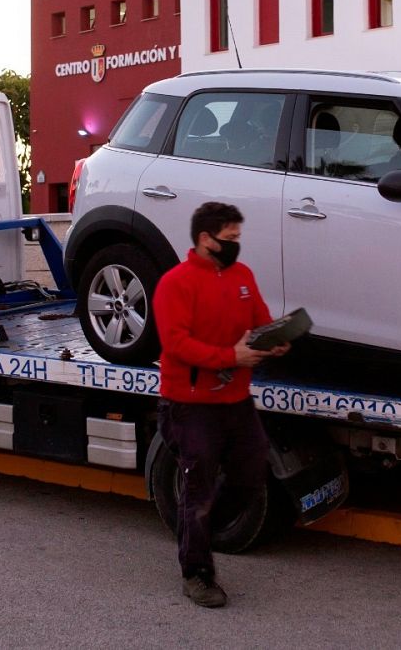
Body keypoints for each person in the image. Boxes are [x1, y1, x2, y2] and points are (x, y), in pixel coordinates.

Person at [152, 201, 288, 608]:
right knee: (200, 488)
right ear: (205, 239)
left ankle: (199, 534)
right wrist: (232, 357)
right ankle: (196, 574)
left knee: (251, 471)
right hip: (189, 406)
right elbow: (177, 345)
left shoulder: (242, 276)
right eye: (229, 239)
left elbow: (260, 321)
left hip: (236, 400)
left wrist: (274, 339)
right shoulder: (175, 283)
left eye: (238, 238)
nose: (236, 245)